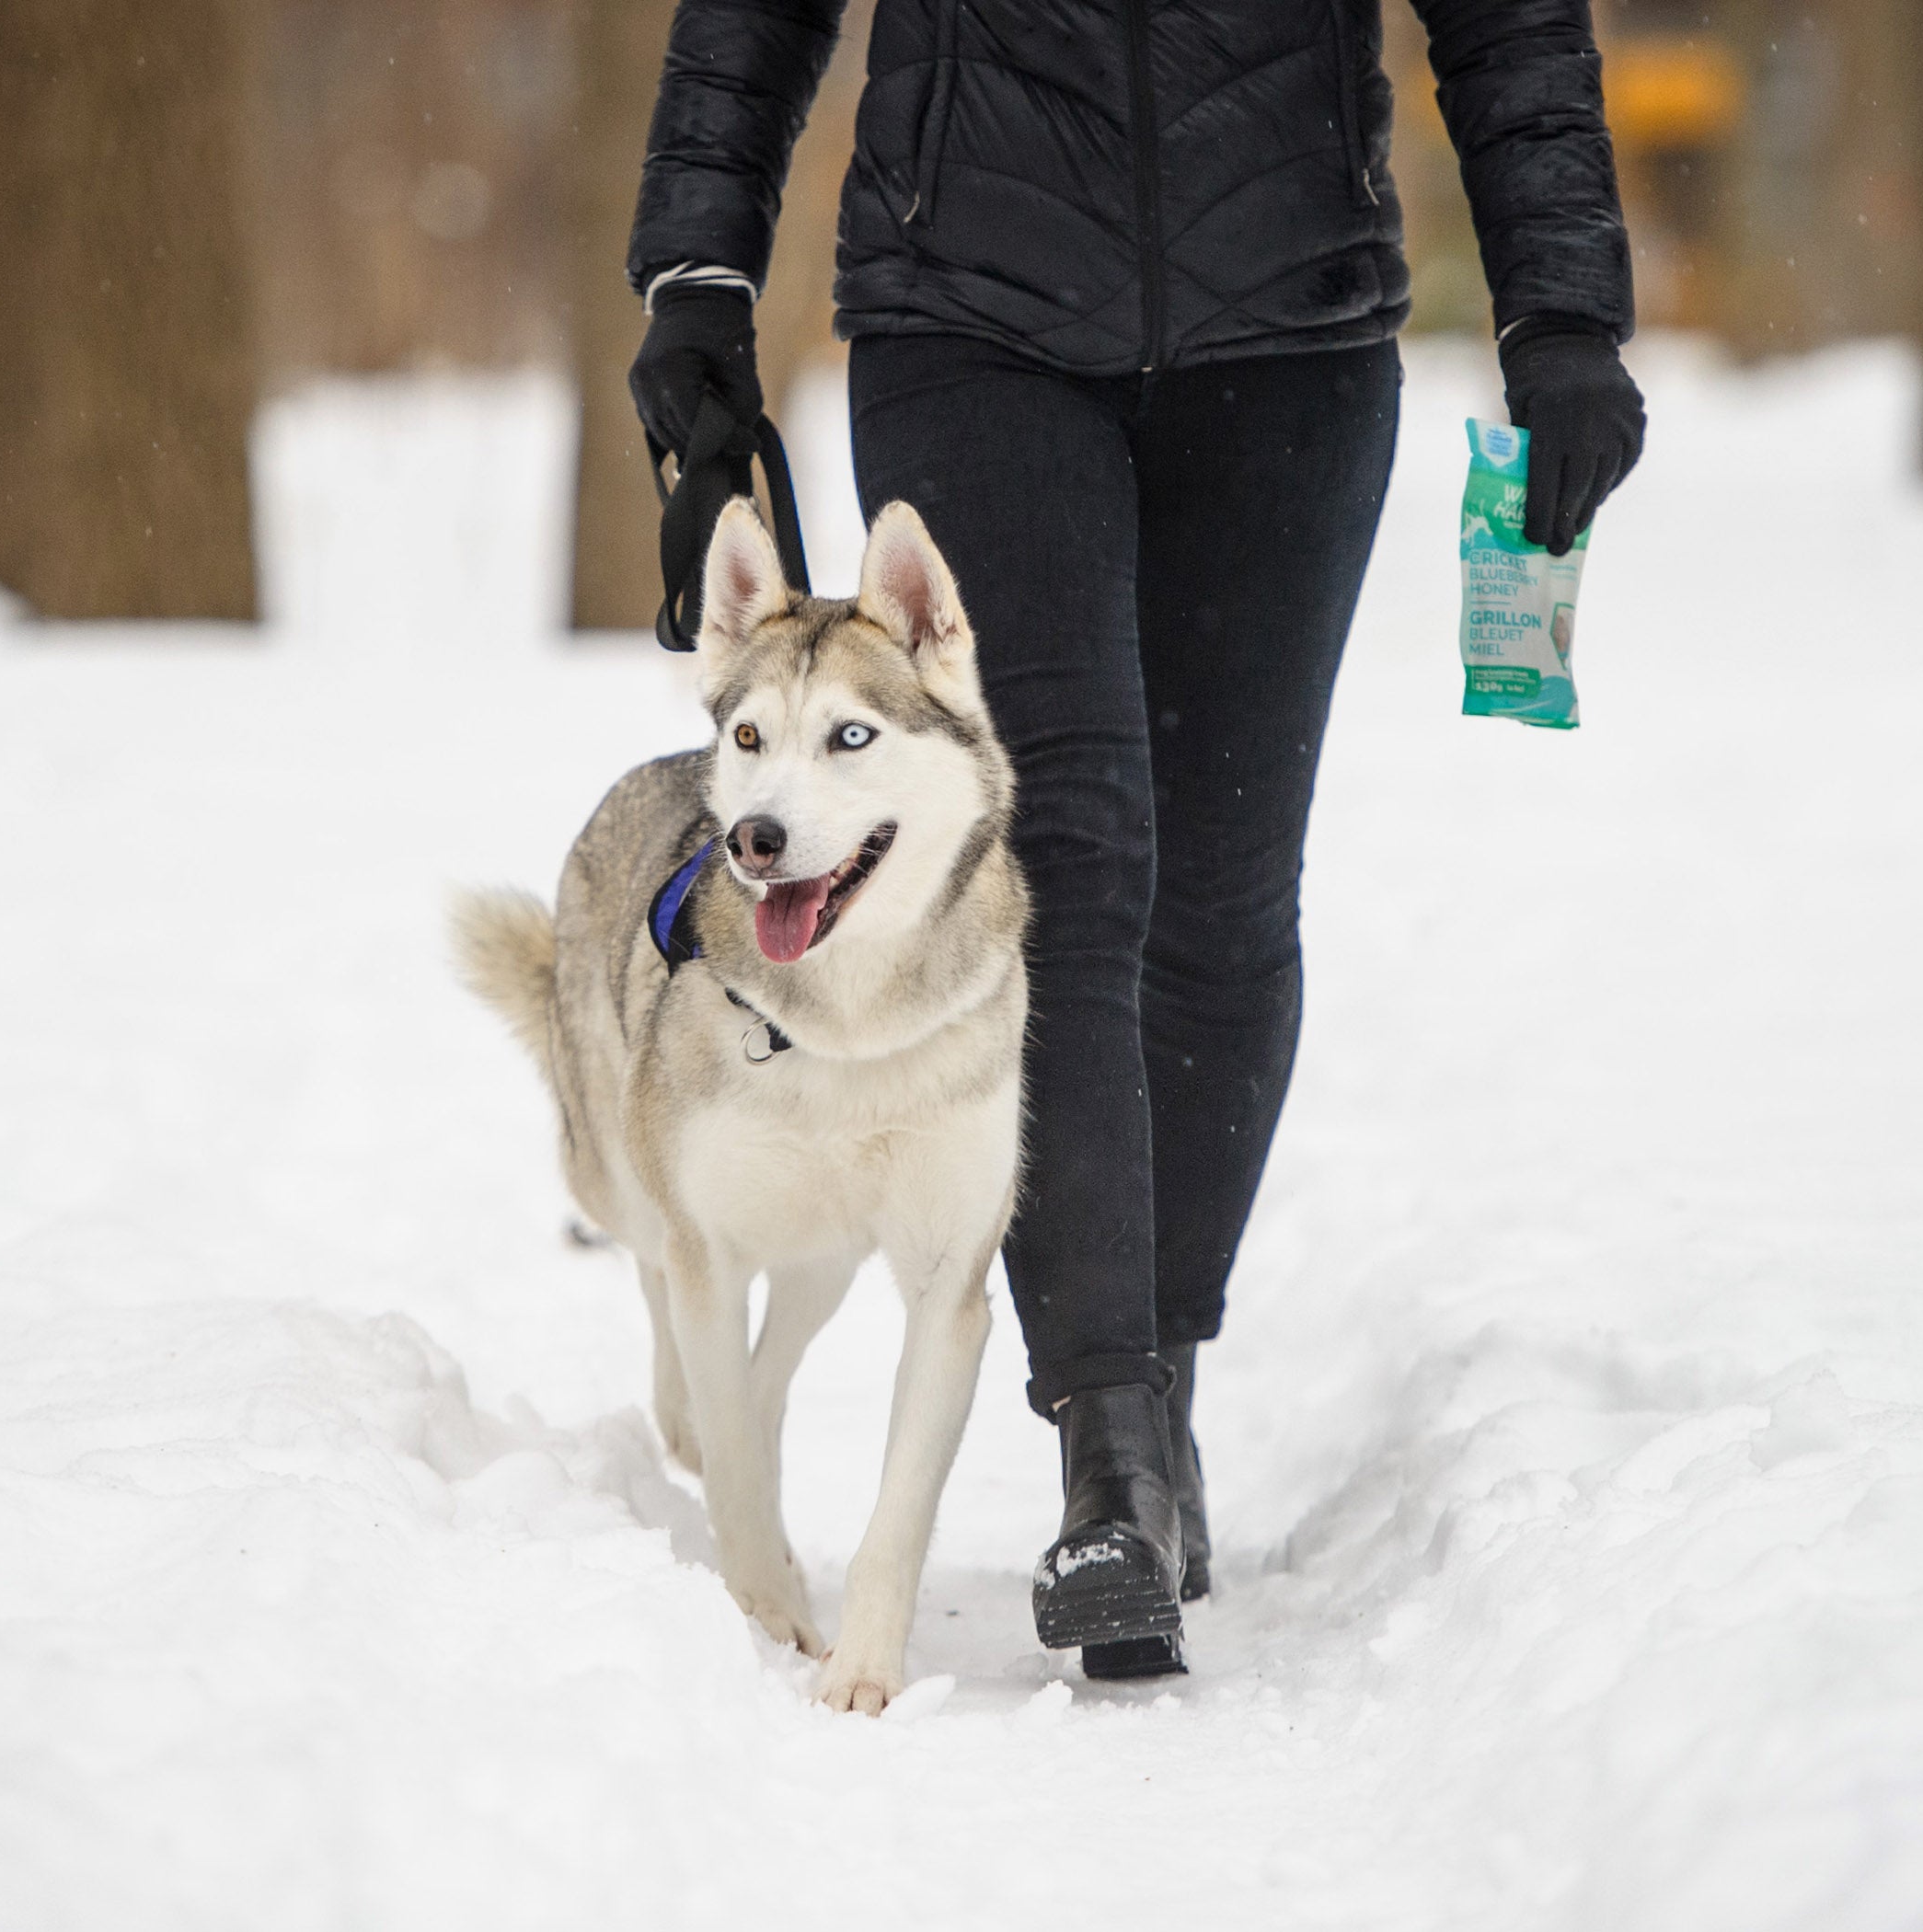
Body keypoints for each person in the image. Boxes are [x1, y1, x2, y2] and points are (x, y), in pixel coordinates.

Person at [625, 0, 1645, 1677]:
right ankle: (1104, 1443)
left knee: (1227, 893)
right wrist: (699, 275)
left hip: (1291, 330)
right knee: (1072, 867)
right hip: (973, 313)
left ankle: (1158, 1385)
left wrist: (1564, 305)